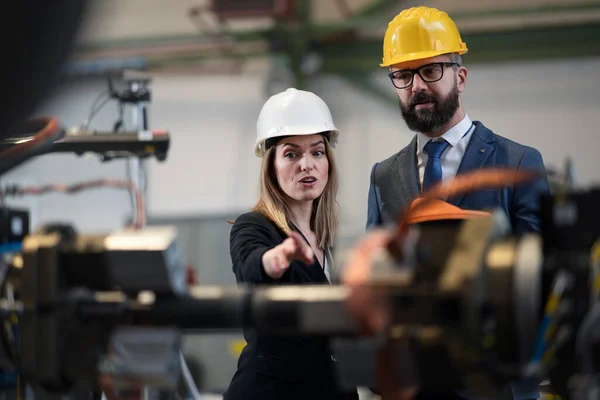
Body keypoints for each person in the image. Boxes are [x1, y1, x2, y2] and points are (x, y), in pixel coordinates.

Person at [367, 6, 551, 236]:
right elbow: (373, 263)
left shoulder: (518, 164)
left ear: (460, 78)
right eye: (403, 76)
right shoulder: (383, 176)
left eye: (431, 70)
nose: (416, 86)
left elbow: (537, 261)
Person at [223, 88, 358, 400]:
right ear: (271, 165)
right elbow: (250, 264)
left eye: (317, 152)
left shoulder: (327, 241)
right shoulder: (255, 225)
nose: (307, 164)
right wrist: (274, 259)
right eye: (291, 153)